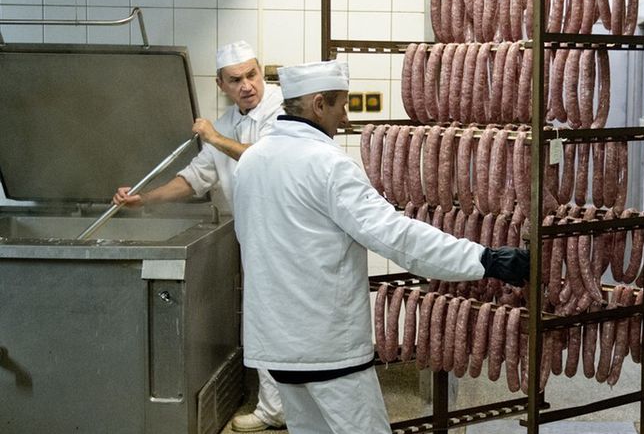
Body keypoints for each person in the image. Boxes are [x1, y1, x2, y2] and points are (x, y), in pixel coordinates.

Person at [231, 60, 530, 434]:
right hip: (327, 345)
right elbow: (396, 236)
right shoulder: (328, 165)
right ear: (319, 104)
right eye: (342, 105)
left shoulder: (251, 161)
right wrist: (485, 259)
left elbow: (249, 238)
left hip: (276, 343)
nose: (345, 116)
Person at [112, 40, 287, 433]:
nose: (247, 85)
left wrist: (213, 137)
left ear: (260, 72)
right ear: (221, 85)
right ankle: (275, 407)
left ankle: (293, 406)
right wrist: (145, 199)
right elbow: (194, 178)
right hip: (255, 237)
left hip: (288, 236)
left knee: (287, 318)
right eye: (235, 80)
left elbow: (266, 159)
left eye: (252, 75)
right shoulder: (223, 125)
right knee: (263, 319)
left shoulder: (282, 108)